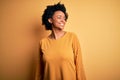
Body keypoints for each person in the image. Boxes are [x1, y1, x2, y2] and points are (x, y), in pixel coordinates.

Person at [35, 2, 86, 80]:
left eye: (64, 18)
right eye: (59, 17)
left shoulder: (72, 37)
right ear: (50, 20)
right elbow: (39, 73)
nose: (63, 20)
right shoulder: (43, 42)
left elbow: (79, 67)